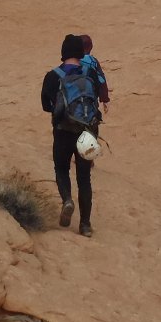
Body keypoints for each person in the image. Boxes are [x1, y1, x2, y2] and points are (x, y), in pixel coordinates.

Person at [41, 34, 102, 237]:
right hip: (87, 131)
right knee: (84, 177)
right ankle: (85, 225)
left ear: (63, 52)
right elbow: (96, 98)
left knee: (61, 169)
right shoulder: (89, 72)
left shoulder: (53, 76)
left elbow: (45, 106)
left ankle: (67, 200)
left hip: (63, 131)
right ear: (81, 53)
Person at [80, 34, 110, 113]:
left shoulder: (71, 61)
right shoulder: (93, 62)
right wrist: (105, 99)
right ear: (91, 47)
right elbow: (101, 80)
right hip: (90, 99)